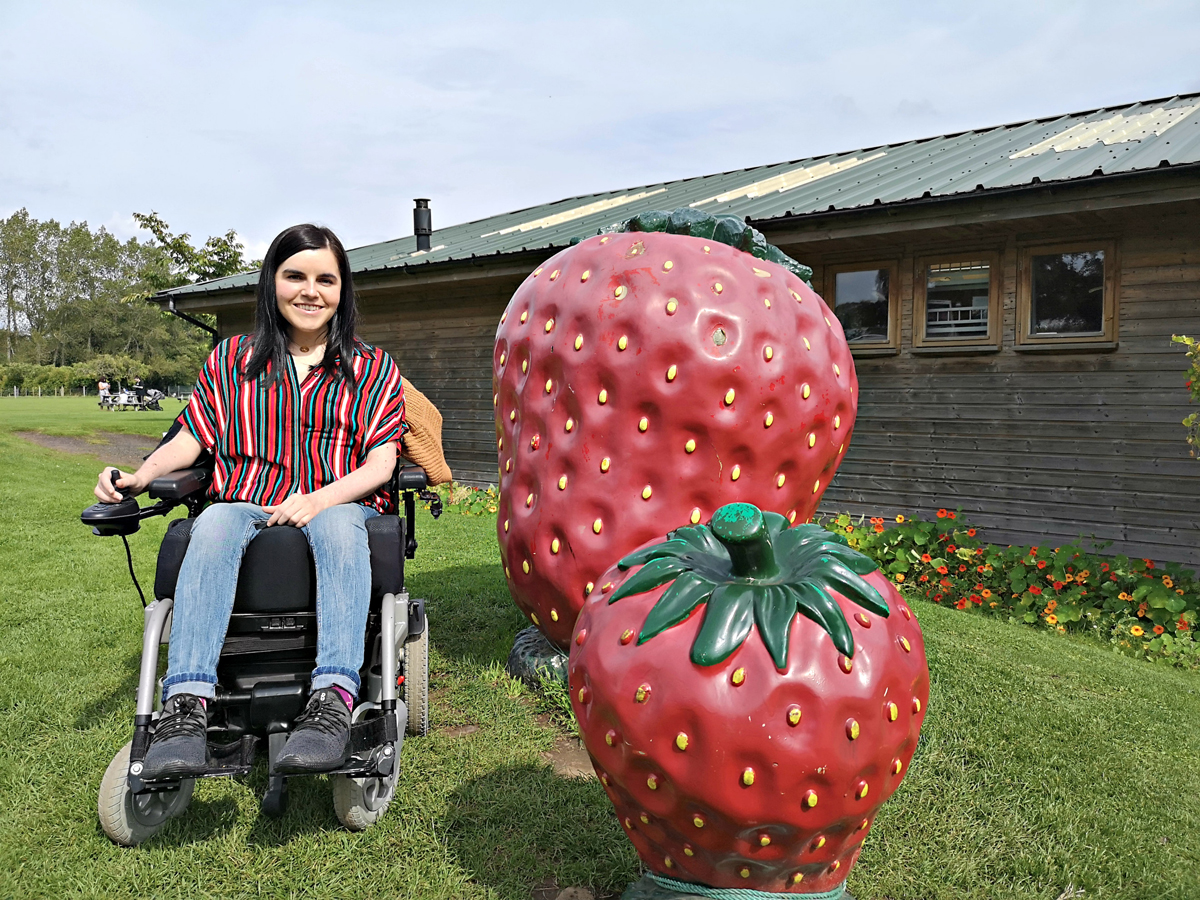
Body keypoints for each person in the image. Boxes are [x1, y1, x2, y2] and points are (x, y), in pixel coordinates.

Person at [94, 224, 405, 779]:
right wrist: (140, 476)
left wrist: (317, 499)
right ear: (272, 283)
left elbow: (381, 464)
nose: (310, 291)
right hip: (247, 499)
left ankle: (332, 698)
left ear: (342, 290)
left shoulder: (372, 367)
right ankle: (186, 706)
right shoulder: (231, 361)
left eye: (325, 280)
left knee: (335, 525)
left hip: (337, 501)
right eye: (295, 276)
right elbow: (192, 437)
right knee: (213, 521)